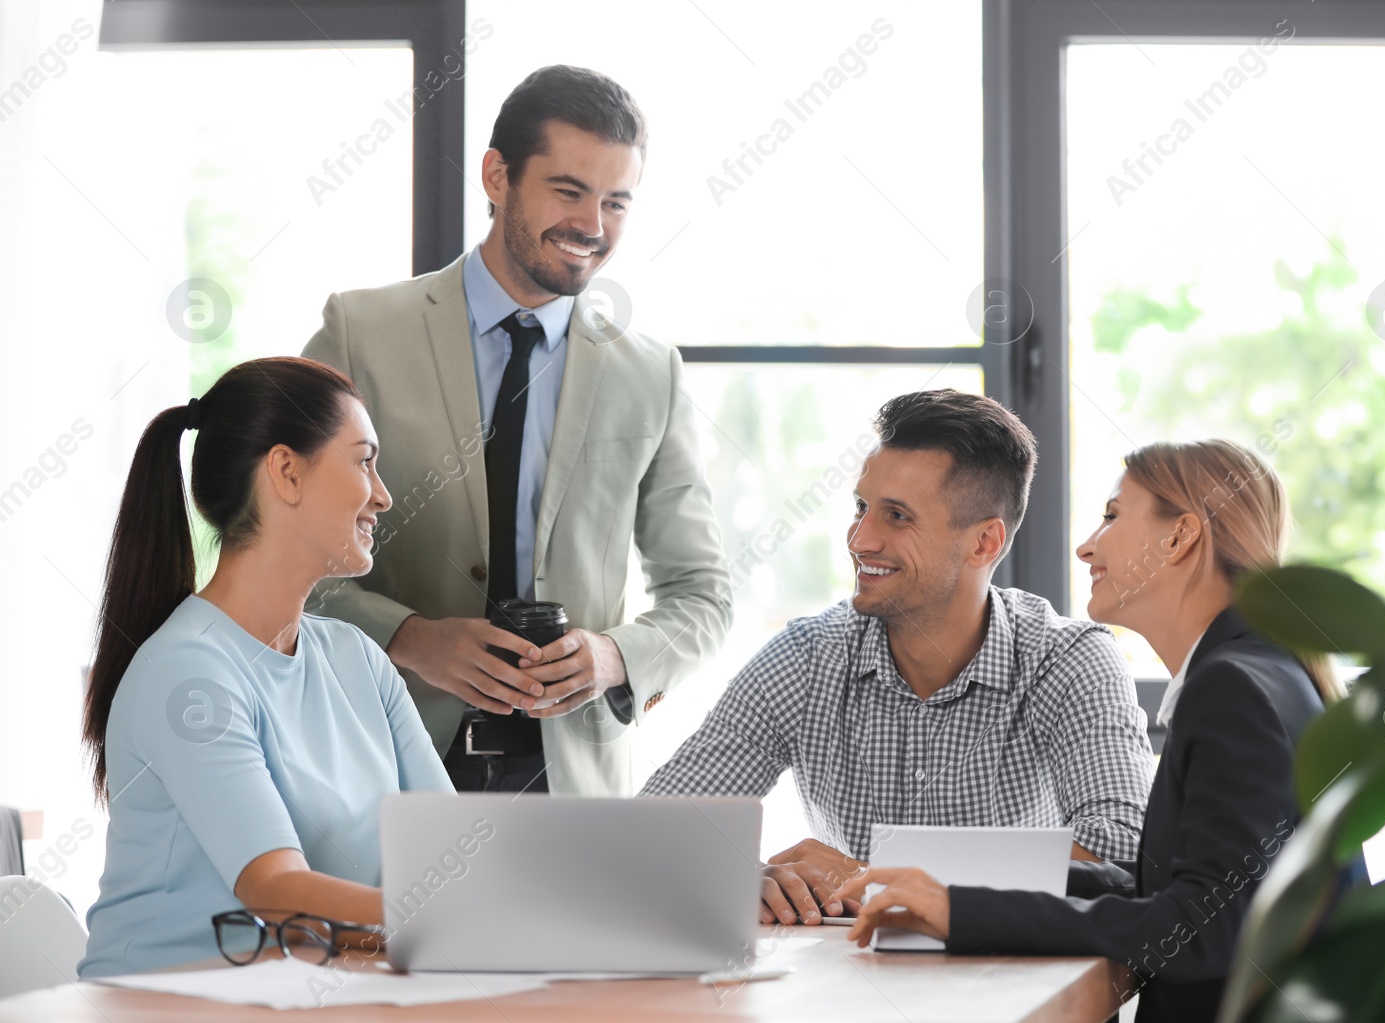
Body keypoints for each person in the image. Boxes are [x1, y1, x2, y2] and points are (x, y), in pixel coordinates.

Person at [302, 65, 732, 796]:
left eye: (616, 202)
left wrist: (615, 654)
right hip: (383, 758)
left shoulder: (649, 372)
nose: (592, 226)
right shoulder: (361, 334)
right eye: (568, 190)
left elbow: (702, 594)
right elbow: (276, 552)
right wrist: (409, 636)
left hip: (571, 782)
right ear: (496, 176)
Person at [837, 439, 1341, 1023]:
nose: (1085, 547)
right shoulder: (1257, 669)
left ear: (1179, 537)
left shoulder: (1231, 689)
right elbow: (1165, 889)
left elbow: (1207, 926)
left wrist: (963, 912)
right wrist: (952, 883)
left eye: (1110, 517)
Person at [642, 389, 1154, 926]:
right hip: (853, 986)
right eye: (862, 508)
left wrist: (874, 875)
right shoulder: (807, 658)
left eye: (898, 517)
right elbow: (648, 837)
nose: (860, 540)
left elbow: (1121, 861)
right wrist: (739, 878)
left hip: (1014, 988)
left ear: (984, 543)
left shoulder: (1067, 661)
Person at [78, 358, 453, 978]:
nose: (383, 494)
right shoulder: (189, 674)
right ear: (286, 471)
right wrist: (458, 926)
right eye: (364, 460)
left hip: (315, 993)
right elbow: (276, 892)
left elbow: (445, 851)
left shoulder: (356, 658)